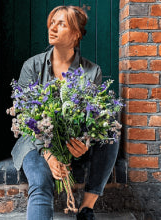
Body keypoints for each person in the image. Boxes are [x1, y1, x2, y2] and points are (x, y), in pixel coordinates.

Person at [11, 5, 119, 220]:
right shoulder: (32, 66)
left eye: (61, 24)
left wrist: (84, 143)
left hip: (73, 141)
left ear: (76, 34)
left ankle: (86, 208)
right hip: (35, 143)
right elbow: (24, 116)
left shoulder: (92, 71)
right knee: (40, 182)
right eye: (52, 23)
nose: (52, 28)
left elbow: (94, 118)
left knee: (111, 127)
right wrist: (49, 153)